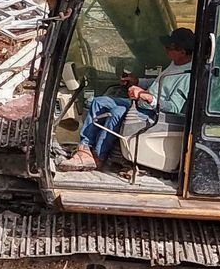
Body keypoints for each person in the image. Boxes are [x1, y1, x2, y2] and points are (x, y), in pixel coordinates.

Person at [66, 28, 197, 169]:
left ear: (182, 52)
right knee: (99, 102)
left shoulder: (187, 76)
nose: (165, 50)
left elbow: (174, 108)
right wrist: (137, 82)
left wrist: (146, 96)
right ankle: (84, 149)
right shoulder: (175, 64)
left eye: (168, 48)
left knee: (116, 113)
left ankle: (98, 157)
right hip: (140, 103)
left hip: (153, 111)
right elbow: (159, 83)